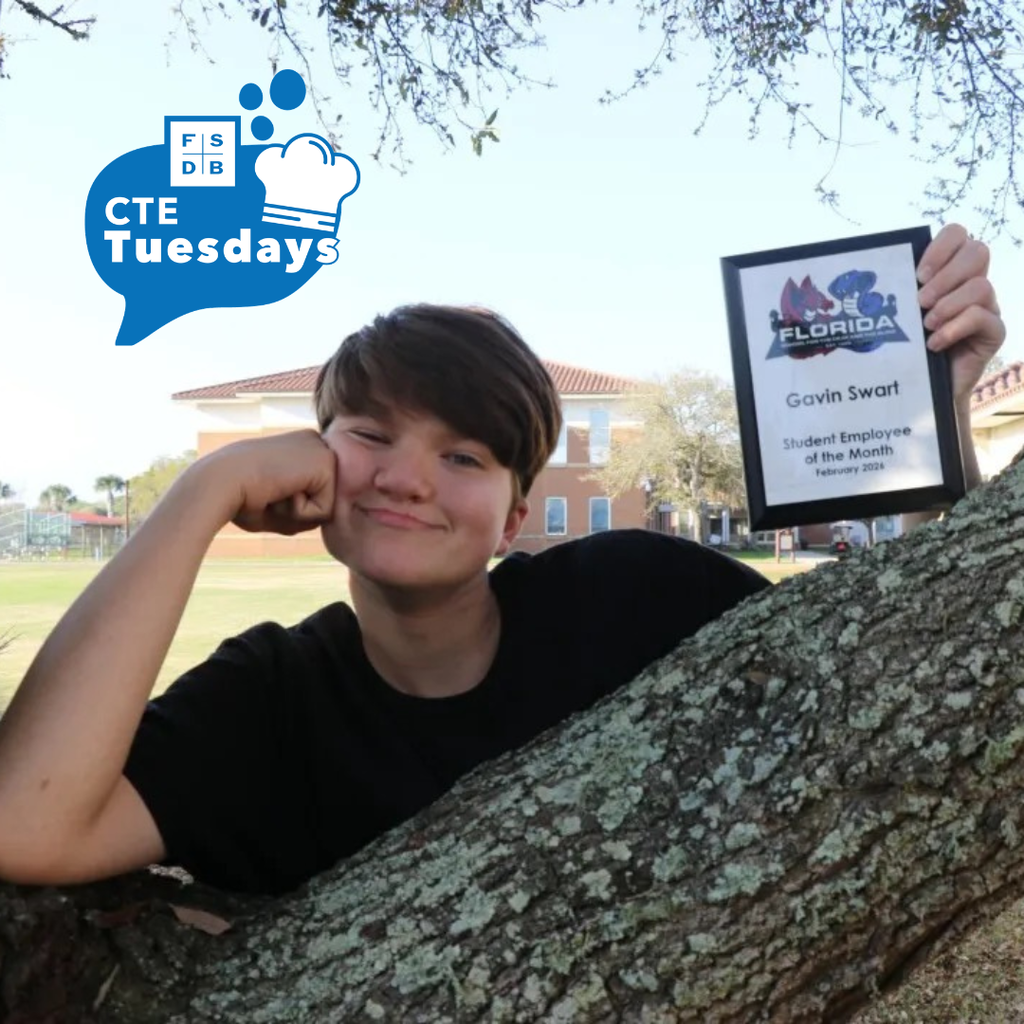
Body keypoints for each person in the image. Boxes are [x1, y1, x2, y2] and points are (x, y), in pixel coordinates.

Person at [0, 224, 1004, 895]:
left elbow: (897, 671)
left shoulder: (635, 595)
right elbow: (28, 824)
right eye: (370, 435)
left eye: (464, 455)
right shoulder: (272, 700)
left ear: (517, 510)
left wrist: (930, 404)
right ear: (309, 460)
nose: (408, 478)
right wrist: (199, 494)